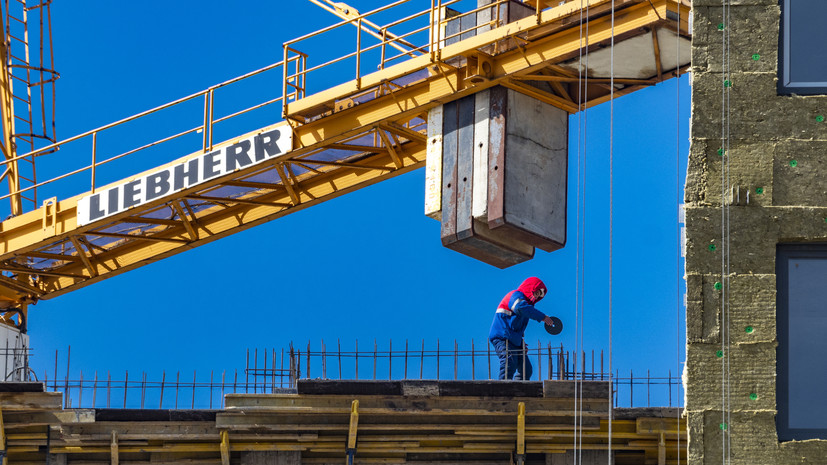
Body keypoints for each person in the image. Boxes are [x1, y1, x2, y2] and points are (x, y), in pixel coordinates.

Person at [488, 277, 556, 380]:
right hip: (502, 337)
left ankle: (517, 390)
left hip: (513, 340)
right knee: (509, 362)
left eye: (539, 295)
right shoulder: (516, 295)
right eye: (536, 292)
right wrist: (543, 317)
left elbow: (517, 326)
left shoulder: (527, 307)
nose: (536, 296)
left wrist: (520, 342)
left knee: (526, 370)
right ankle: (502, 389)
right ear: (530, 288)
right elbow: (519, 307)